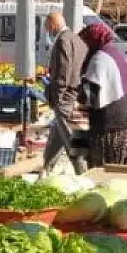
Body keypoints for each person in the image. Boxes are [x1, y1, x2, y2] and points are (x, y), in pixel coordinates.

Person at [78, 22, 127, 167]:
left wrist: (77, 93)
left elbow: (91, 96)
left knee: (104, 168)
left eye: (84, 43)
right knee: (118, 166)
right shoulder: (116, 52)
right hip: (124, 119)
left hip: (108, 125)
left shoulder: (99, 59)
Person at [43, 12, 87, 168]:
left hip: (65, 99)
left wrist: (58, 98)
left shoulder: (63, 40)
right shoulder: (77, 39)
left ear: (53, 24)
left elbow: (64, 71)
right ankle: (46, 170)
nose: (47, 31)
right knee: (56, 138)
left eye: (47, 27)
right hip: (74, 94)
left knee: (72, 143)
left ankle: (82, 172)